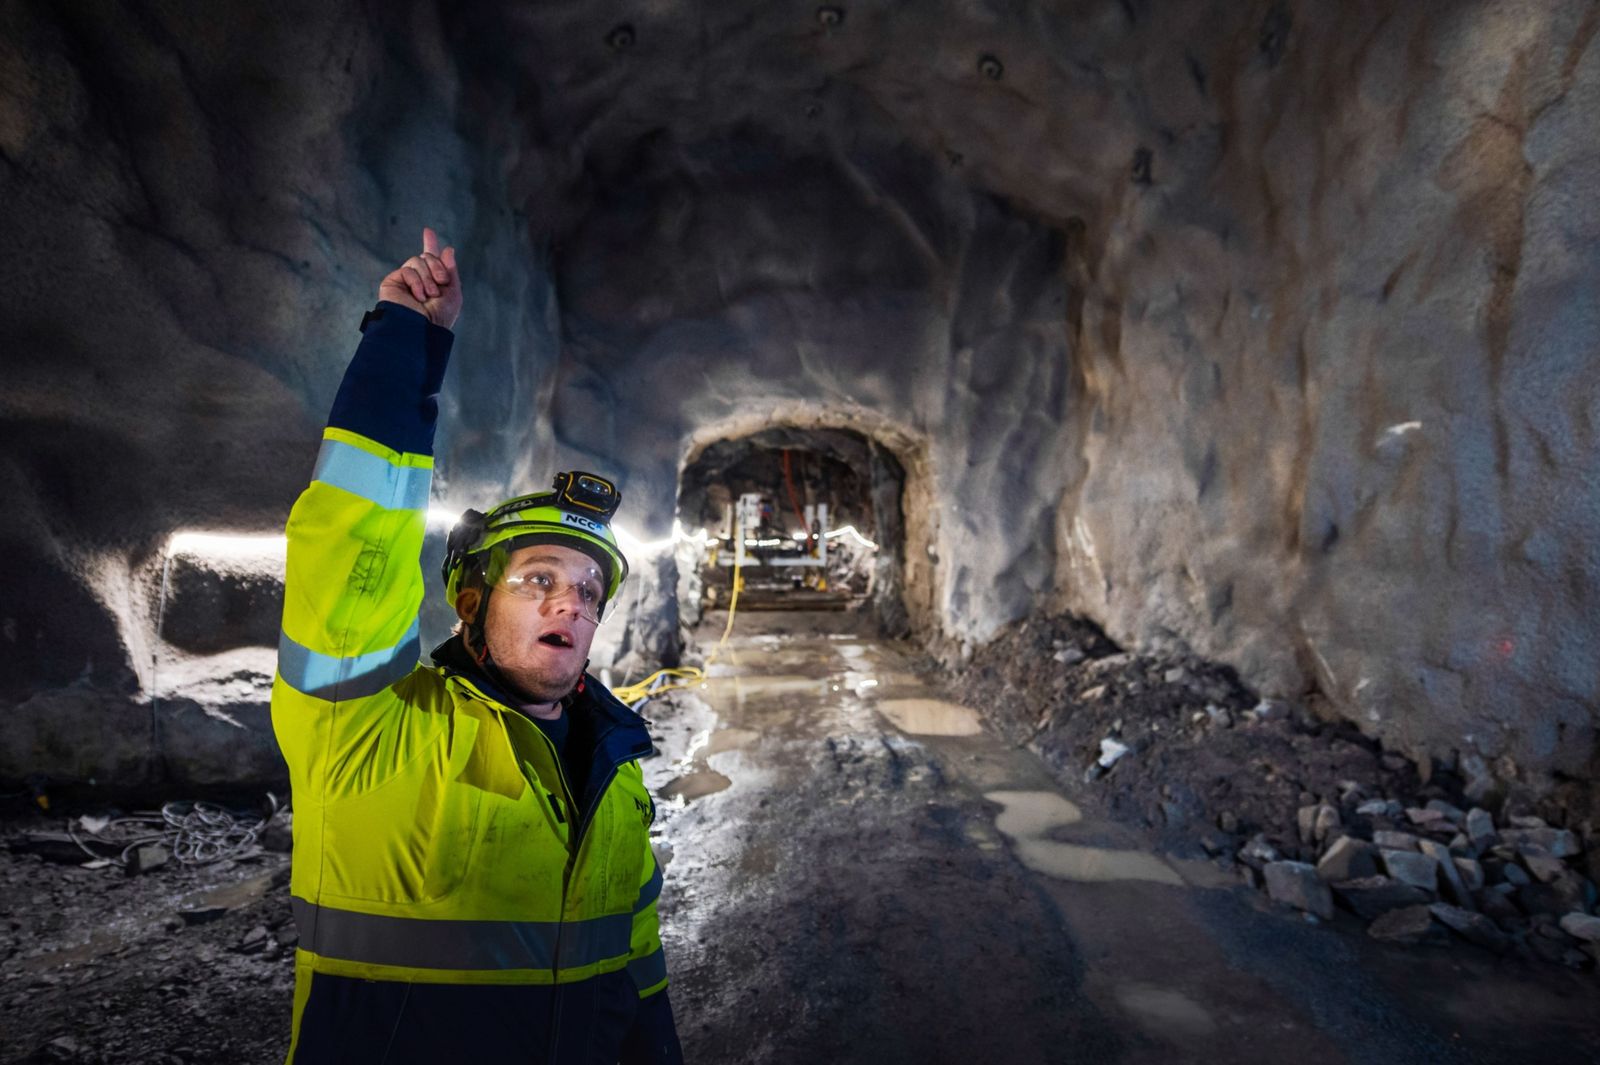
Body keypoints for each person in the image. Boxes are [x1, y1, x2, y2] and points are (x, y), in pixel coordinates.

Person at [272, 227, 683, 1064]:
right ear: (469, 601)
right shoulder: (366, 730)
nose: (571, 600)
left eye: (590, 591)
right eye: (537, 578)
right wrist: (406, 342)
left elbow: (639, 982)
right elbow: (350, 537)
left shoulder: (617, 776)